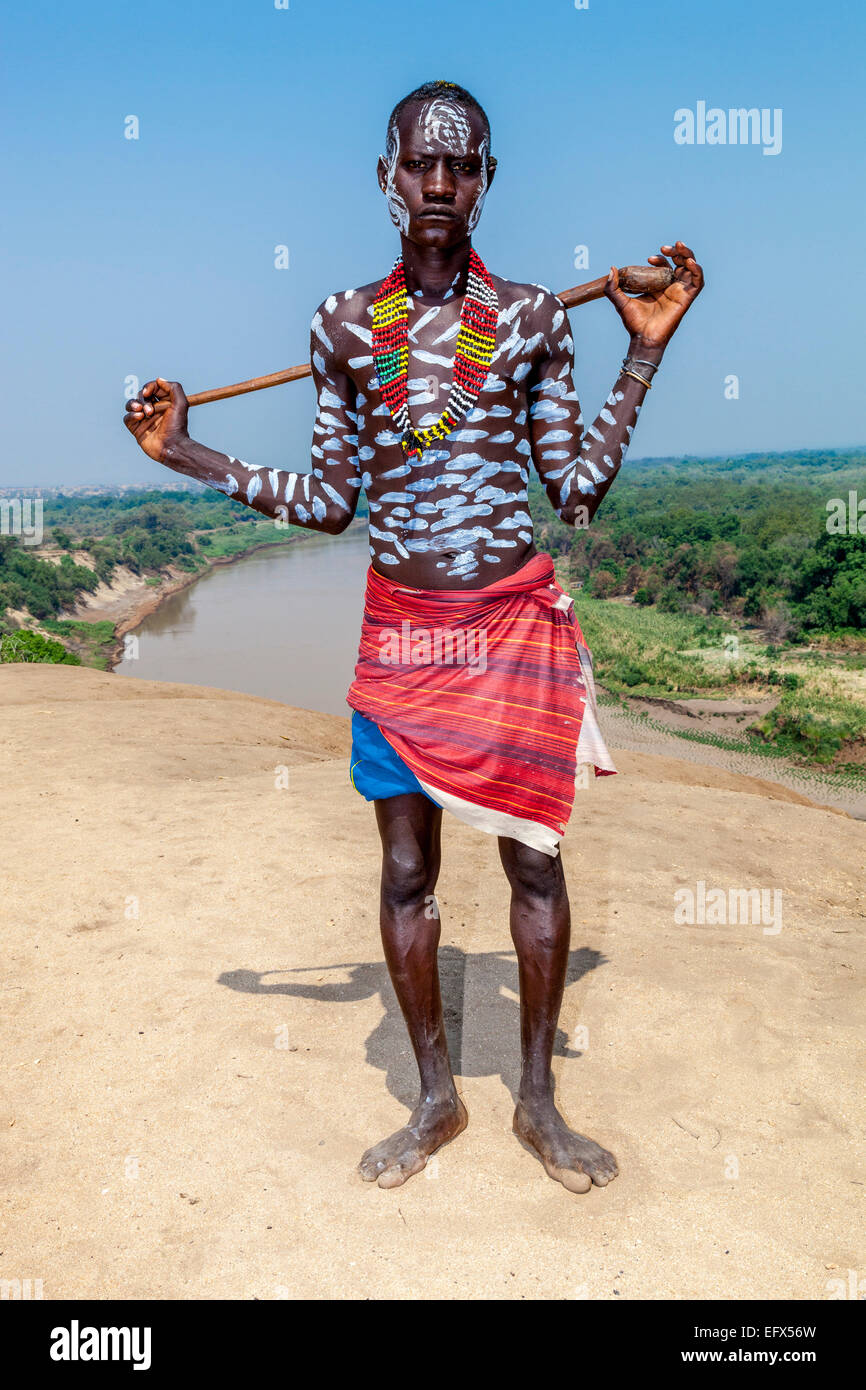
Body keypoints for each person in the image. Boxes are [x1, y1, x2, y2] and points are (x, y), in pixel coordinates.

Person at [123, 79, 703, 1194]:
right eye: (419, 164)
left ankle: (536, 1101)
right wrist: (186, 456)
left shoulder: (534, 316)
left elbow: (574, 490)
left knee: (533, 864)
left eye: (462, 164)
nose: (439, 182)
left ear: (487, 180)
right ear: (385, 178)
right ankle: (437, 1099)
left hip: (511, 623)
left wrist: (644, 350)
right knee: (403, 870)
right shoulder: (343, 326)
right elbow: (332, 501)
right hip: (401, 636)